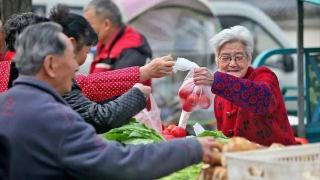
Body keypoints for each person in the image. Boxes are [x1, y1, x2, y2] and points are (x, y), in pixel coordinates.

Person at [0, 22, 219, 179]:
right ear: (50, 65)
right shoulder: (57, 119)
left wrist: (143, 73)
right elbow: (119, 163)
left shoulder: (5, 103)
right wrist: (193, 149)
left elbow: (94, 84)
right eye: (70, 57)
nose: (77, 67)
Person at [2, 12, 172, 102]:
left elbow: (87, 84)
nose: (74, 67)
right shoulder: (48, 79)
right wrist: (137, 92)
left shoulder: (17, 73)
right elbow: (96, 110)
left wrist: (143, 72)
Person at [193, 25, 296, 146]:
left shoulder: (264, 75)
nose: (232, 63)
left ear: (249, 58)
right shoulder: (219, 94)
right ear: (217, 61)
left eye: (239, 57)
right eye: (225, 58)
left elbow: (263, 100)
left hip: (276, 157)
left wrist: (217, 81)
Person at [83, 0, 152, 79]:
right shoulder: (104, 43)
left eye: (89, 24)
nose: (85, 30)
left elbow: (125, 89)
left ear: (106, 24)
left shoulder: (130, 49)